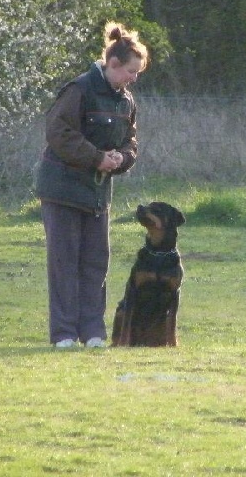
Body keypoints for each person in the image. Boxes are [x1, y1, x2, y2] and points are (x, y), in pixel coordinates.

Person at [34, 22, 149, 348]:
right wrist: (96, 158)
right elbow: (59, 134)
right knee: (65, 261)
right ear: (112, 65)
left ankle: (93, 333)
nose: (133, 78)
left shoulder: (125, 101)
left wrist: (120, 160)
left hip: (97, 194)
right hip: (62, 190)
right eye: (130, 71)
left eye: (137, 73)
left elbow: (131, 143)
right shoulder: (79, 90)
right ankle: (64, 334)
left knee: (96, 262)